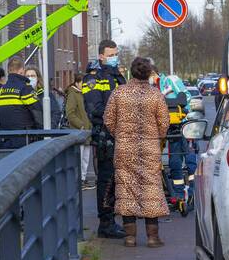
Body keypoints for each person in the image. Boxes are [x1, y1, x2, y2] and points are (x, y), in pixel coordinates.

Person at [104, 56, 171, 248]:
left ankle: (130, 237)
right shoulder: (156, 95)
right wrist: (157, 136)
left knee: (126, 188)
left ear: (131, 72)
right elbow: (164, 123)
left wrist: (120, 134)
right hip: (149, 147)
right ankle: (152, 237)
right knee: (151, 188)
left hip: (125, 148)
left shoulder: (119, 93)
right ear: (149, 73)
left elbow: (108, 119)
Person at [83, 39, 127, 239]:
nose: (114, 57)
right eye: (110, 55)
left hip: (121, 134)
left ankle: (113, 219)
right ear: (101, 56)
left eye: (115, 54)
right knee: (106, 179)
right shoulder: (93, 78)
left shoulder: (118, 76)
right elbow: (94, 109)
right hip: (105, 136)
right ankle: (106, 223)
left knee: (118, 180)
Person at [0, 59, 42, 147]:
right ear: (21, 70)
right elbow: (37, 112)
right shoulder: (25, 88)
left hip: (5, 137)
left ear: (8, 70)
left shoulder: (0, 91)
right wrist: (41, 132)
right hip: (25, 137)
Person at [65, 73, 94, 188]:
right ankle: (79, 180)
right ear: (77, 83)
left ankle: (83, 179)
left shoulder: (83, 93)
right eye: (83, 83)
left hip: (86, 132)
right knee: (80, 158)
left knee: (85, 157)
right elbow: (70, 113)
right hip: (80, 131)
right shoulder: (73, 94)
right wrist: (81, 125)